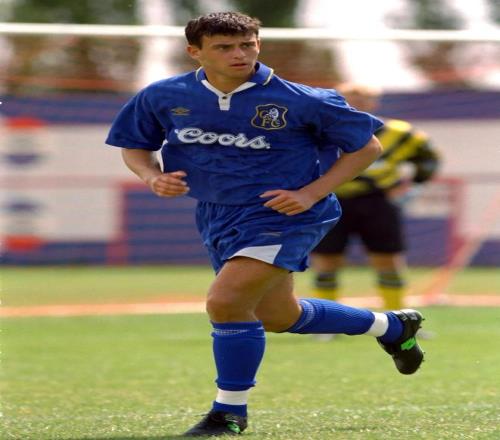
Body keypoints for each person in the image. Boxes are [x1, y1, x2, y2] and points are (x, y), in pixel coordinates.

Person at [106, 12, 426, 437]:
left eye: (248, 44)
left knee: (225, 302)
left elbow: (367, 146)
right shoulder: (164, 95)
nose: (239, 54)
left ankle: (229, 414)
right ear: (195, 52)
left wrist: (311, 193)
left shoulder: (301, 98)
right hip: (218, 214)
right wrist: (151, 176)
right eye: (224, 47)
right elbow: (134, 146)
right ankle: (392, 326)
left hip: (286, 215)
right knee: (277, 315)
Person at [311, 83, 440, 314]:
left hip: (378, 202)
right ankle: (327, 321)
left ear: (374, 103)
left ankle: (399, 318)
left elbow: (429, 159)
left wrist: (413, 186)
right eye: (349, 98)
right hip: (330, 199)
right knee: (326, 261)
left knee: (388, 260)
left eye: (362, 99)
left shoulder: (399, 133)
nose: (355, 103)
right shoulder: (319, 131)